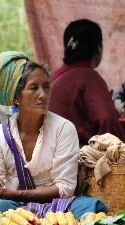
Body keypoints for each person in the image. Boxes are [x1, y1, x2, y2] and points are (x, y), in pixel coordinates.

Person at [0, 51, 107, 220]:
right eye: (34, 88)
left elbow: (65, 190)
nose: (43, 94)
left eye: (46, 86)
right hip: (16, 211)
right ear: (16, 96)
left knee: (92, 208)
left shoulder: (63, 129)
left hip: (58, 208)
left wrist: (11, 194)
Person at [49, 19, 125, 149]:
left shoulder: (52, 77)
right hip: (76, 162)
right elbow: (108, 119)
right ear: (98, 48)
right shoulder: (88, 78)